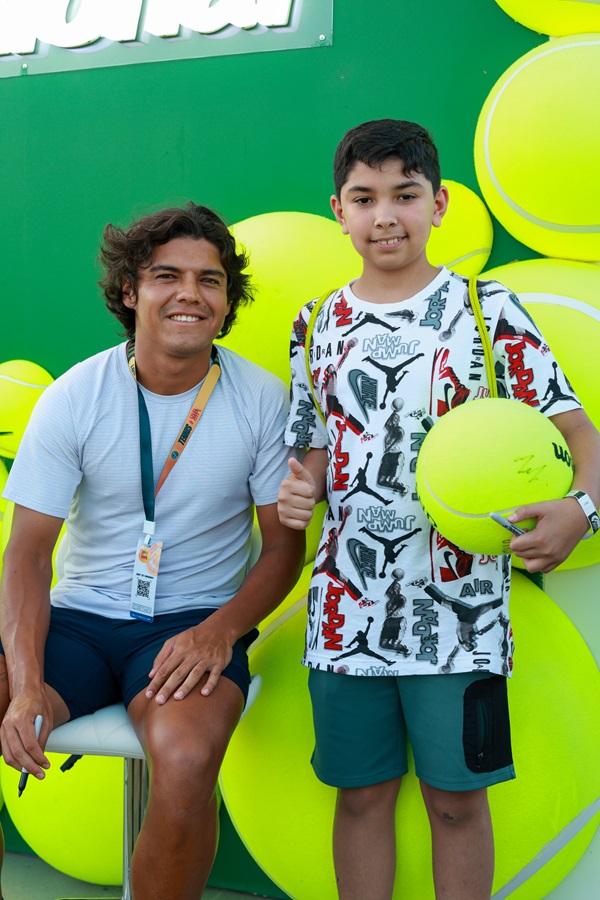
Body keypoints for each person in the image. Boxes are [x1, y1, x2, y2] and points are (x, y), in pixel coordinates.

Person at [277, 119, 600, 900]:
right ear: (338, 211)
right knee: (360, 798)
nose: (385, 214)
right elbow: (315, 448)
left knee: (456, 805)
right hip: (345, 612)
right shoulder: (316, 324)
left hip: (461, 616)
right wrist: (301, 488)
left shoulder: (487, 311)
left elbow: (581, 438)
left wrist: (582, 511)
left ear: (439, 204)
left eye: (405, 194)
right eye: (364, 198)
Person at [0, 202, 305, 900]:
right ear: (130, 291)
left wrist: (219, 632)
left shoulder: (262, 400)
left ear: (227, 301)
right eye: (167, 275)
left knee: (189, 761)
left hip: (192, 624)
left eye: (210, 279)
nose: (190, 294)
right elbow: (27, 556)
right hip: (75, 624)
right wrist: (26, 682)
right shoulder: (74, 396)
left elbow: (283, 550)